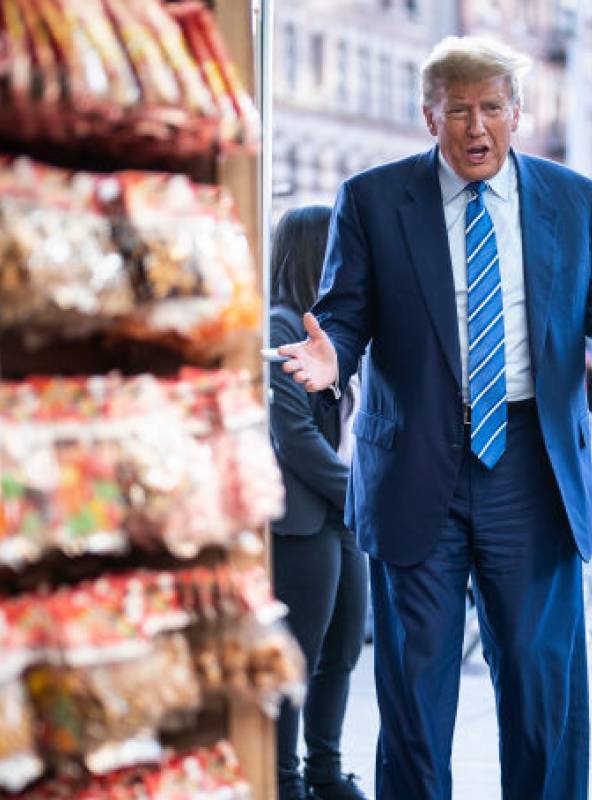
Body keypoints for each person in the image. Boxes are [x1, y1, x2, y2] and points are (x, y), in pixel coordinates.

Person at [274, 37, 592, 800]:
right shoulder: (372, 199)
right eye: (459, 110)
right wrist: (333, 357)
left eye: (492, 108)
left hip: (531, 470)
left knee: (542, 691)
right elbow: (343, 314)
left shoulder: (573, 199)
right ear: (429, 116)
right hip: (414, 470)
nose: (477, 127)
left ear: (518, 115)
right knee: (413, 695)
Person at [265, 206, 369, 800]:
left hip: (340, 513)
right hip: (303, 520)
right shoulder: (281, 328)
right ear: (313, 253)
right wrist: (362, 494)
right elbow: (295, 438)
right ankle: (285, 781)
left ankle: (325, 773)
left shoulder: (327, 330)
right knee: (297, 657)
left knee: (344, 647)